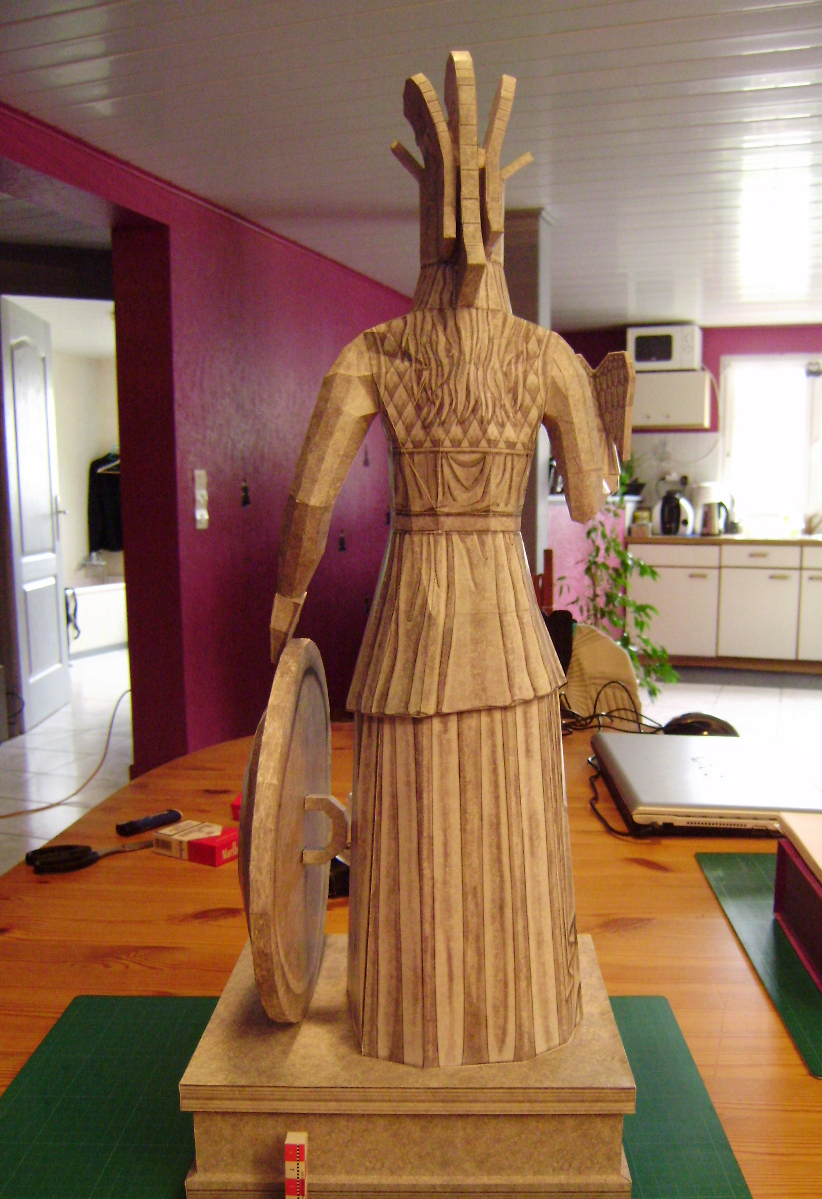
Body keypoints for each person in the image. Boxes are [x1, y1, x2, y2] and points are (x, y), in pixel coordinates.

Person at [270, 53, 628, 1068]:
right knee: (503, 821)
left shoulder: (378, 349)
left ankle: (416, 1019)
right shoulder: (547, 357)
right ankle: (510, 1018)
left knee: (417, 822)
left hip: (416, 607)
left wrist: (286, 601)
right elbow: (594, 501)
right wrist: (607, 423)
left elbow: (308, 502)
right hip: (499, 614)